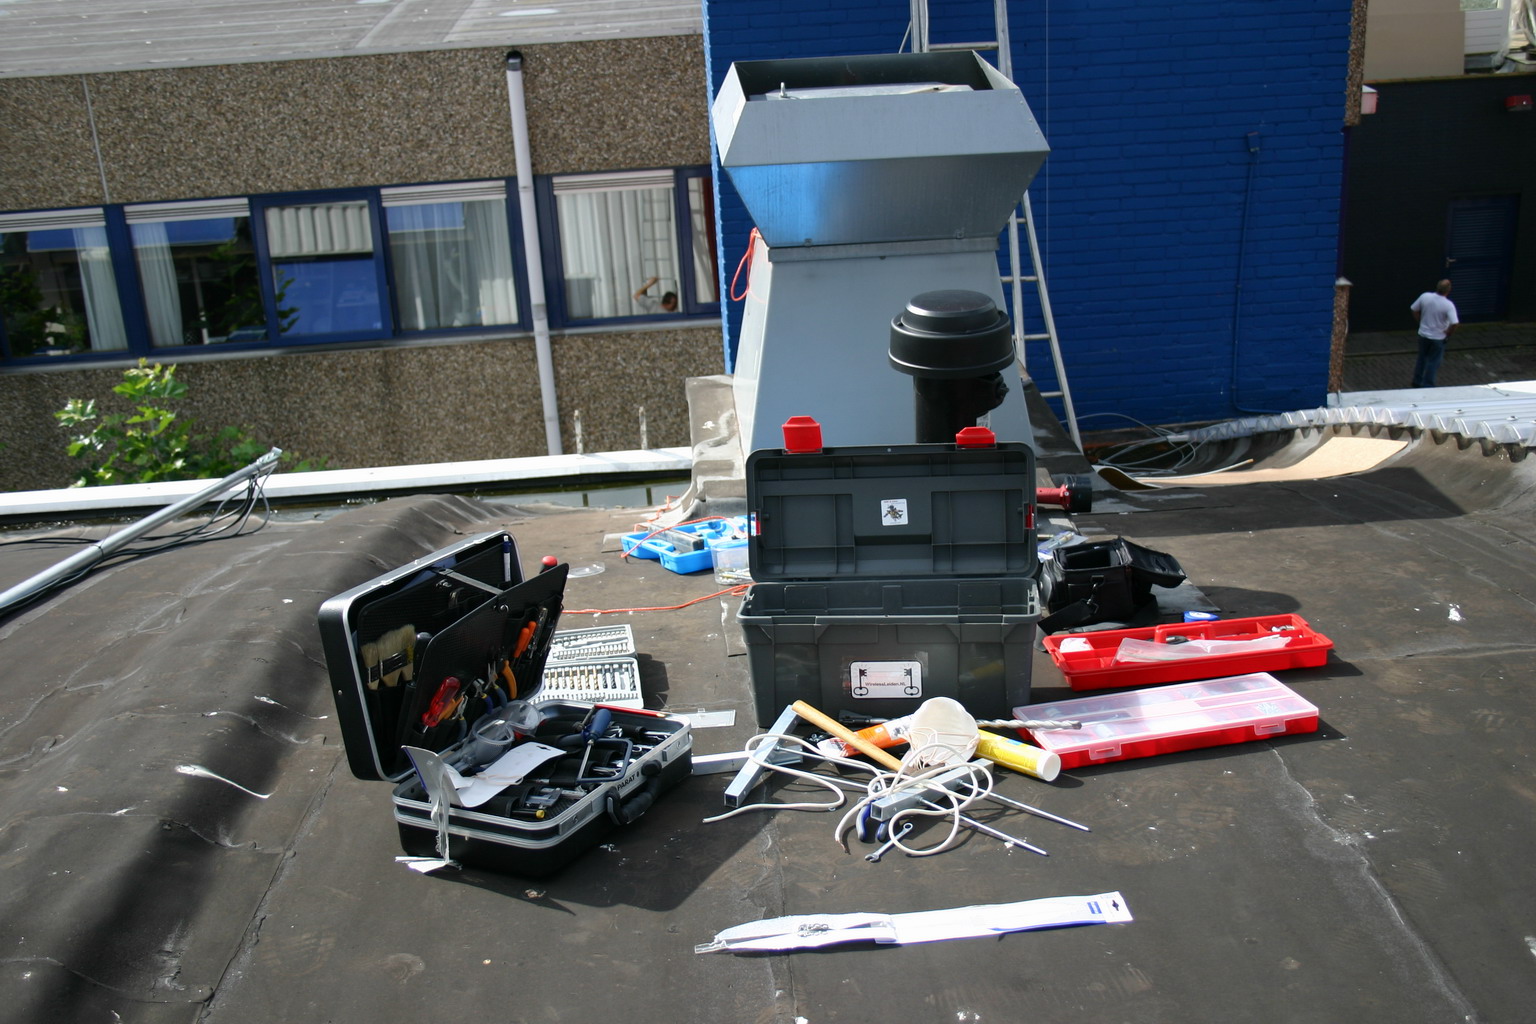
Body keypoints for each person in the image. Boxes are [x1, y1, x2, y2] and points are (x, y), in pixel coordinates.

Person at [1409, 279, 1458, 388]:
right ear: (1448, 290)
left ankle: (1417, 381)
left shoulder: (1425, 296)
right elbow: (1454, 323)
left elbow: (1414, 309)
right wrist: (1448, 332)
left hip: (1423, 334)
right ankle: (1428, 385)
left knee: (1421, 358)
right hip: (1438, 337)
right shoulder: (1448, 305)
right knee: (1433, 362)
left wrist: (1420, 321)